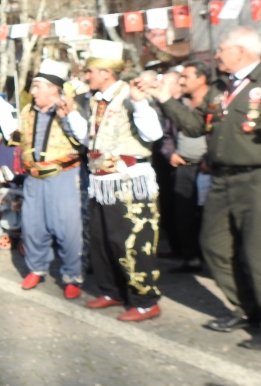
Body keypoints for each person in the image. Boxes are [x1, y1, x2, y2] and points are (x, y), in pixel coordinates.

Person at [148, 28, 261, 346]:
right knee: (213, 246)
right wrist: (164, 98)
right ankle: (247, 310)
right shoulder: (221, 89)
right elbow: (195, 126)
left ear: (240, 51)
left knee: (256, 255)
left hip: (255, 180)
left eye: (222, 49)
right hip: (222, 179)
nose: (217, 54)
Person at [82, 40, 164, 322]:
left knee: (130, 242)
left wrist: (141, 104)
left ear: (106, 72)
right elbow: (91, 139)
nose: (86, 75)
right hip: (101, 181)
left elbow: (153, 134)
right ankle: (112, 290)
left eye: (89, 70)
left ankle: (146, 300)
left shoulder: (131, 95)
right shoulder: (97, 99)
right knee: (101, 241)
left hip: (128, 181)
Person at [15, 61, 89, 299]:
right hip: (33, 179)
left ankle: (71, 276)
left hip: (63, 177)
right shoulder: (28, 112)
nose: (33, 92)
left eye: (37, 86)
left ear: (54, 89)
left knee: (68, 229)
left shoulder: (70, 109)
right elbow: (19, 139)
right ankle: (36, 268)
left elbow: (83, 141)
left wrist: (67, 115)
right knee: (33, 226)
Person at [157, 61, 210, 272]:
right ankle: (190, 257)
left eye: (185, 78)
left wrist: (210, 158)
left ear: (201, 79)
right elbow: (167, 134)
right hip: (184, 167)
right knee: (184, 214)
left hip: (208, 168)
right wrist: (170, 153)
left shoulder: (212, 104)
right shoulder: (178, 107)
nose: (181, 82)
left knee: (208, 216)